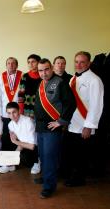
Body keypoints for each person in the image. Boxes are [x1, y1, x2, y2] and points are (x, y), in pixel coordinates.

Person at [34, 58, 76, 198]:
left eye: (46, 69)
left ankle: (49, 187)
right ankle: (47, 178)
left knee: (50, 158)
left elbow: (70, 103)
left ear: (51, 68)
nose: (44, 73)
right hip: (40, 127)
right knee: (43, 157)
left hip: (52, 128)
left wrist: (61, 121)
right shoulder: (41, 84)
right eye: (40, 70)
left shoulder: (60, 83)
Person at [65, 51, 104, 187]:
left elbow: (96, 105)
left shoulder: (95, 80)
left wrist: (89, 126)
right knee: (73, 153)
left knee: (81, 154)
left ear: (89, 63)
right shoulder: (73, 79)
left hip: (84, 124)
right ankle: (73, 175)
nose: (78, 65)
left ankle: (79, 179)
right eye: (76, 61)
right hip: (72, 123)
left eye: (82, 62)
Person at [0, 102, 38, 173]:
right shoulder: (10, 124)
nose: (12, 115)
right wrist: (11, 158)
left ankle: (37, 162)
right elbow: (19, 143)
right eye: (9, 113)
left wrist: (15, 142)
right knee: (5, 137)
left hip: (35, 149)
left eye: (14, 112)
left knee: (25, 158)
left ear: (19, 111)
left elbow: (32, 146)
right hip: (22, 145)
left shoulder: (28, 121)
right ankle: (9, 165)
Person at [18, 54, 42, 175]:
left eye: (33, 61)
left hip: (42, 112)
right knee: (32, 137)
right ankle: (35, 162)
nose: (31, 64)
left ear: (38, 62)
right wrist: (21, 112)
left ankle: (41, 159)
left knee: (40, 137)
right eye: (29, 62)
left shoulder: (43, 75)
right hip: (28, 112)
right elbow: (21, 95)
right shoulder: (25, 76)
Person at [0, 57, 23, 151]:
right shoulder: (1, 77)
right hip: (5, 112)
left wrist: (22, 111)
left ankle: (16, 158)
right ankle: (6, 159)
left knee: (18, 135)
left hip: (18, 112)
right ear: (6, 65)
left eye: (13, 63)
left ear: (17, 65)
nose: (11, 65)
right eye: (8, 63)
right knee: (6, 136)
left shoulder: (22, 75)